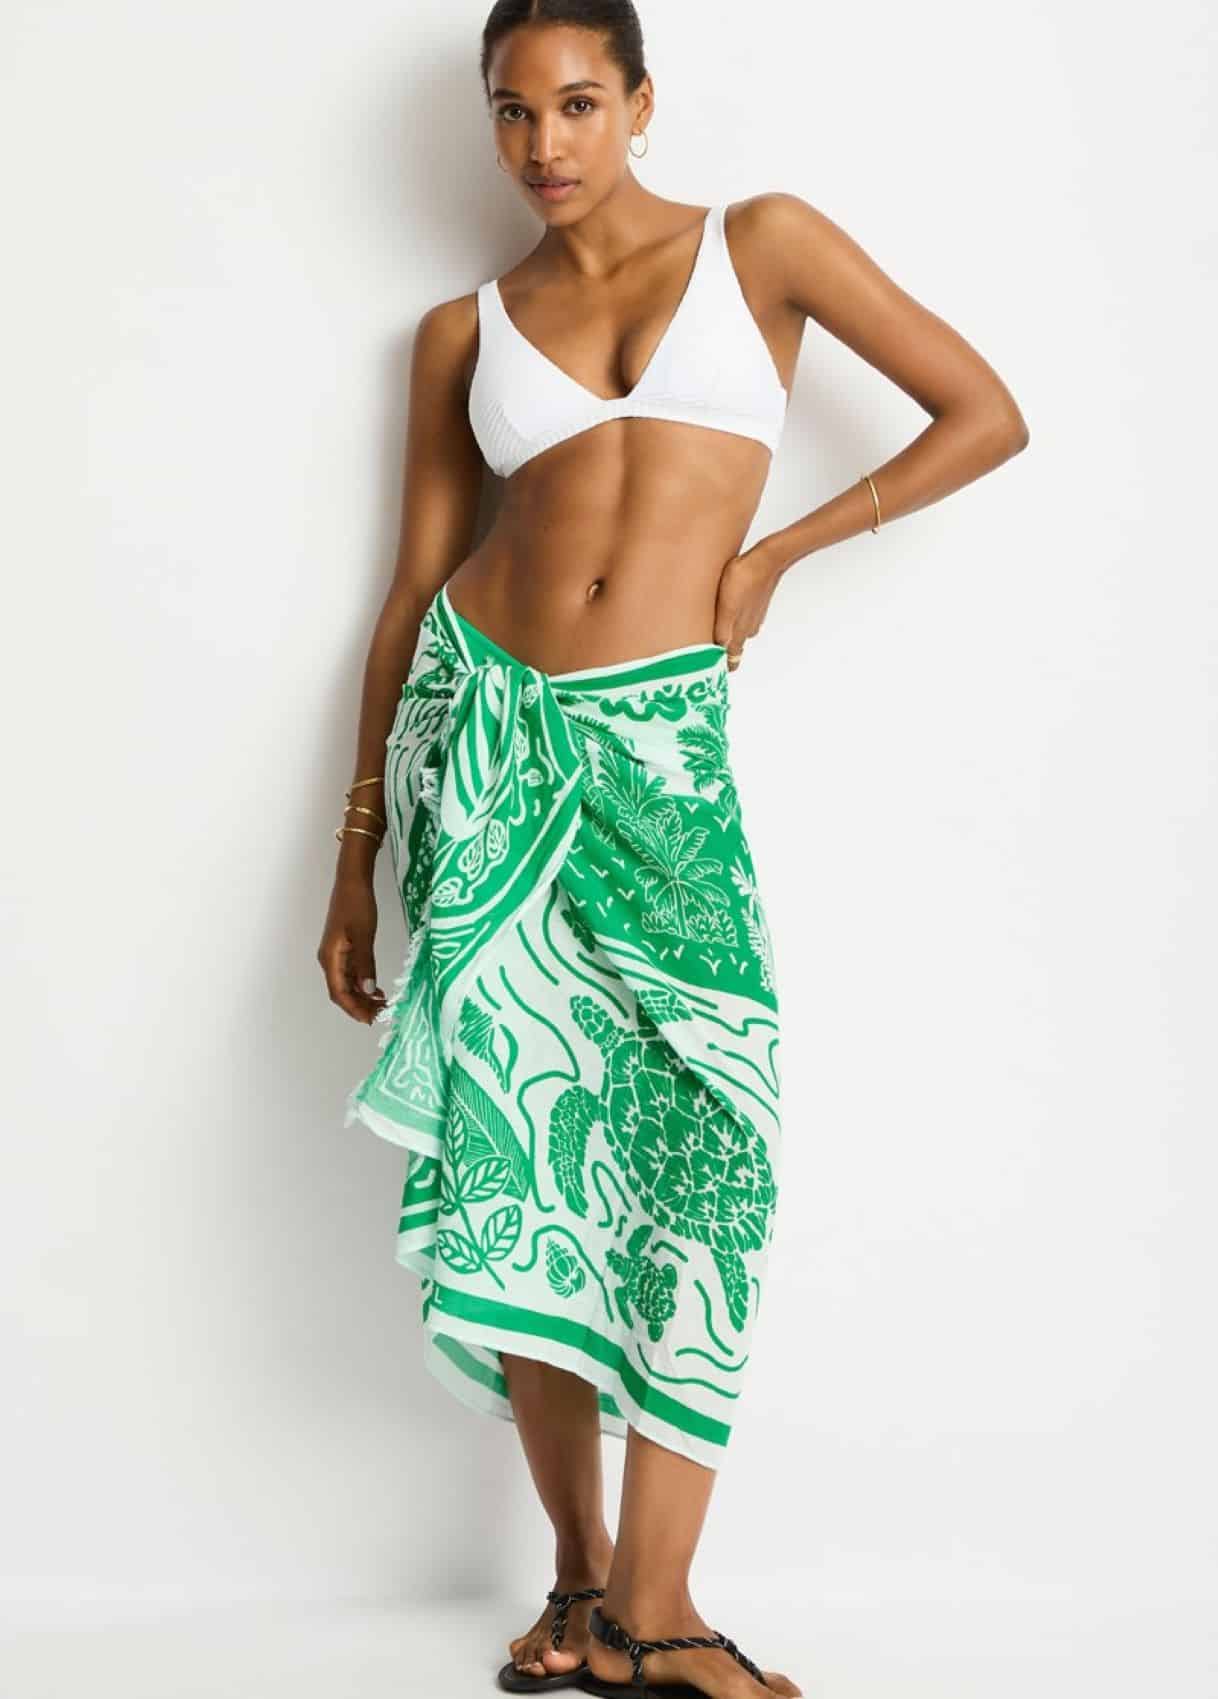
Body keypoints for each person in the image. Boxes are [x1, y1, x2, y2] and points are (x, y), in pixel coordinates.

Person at [318, 3, 1030, 1694]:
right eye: (512, 113)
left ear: (641, 103)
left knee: (716, 1138)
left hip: (657, 753)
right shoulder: (462, 328)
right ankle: (586, 1598)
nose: (544, 144)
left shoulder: (760, 243)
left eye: (577, 104)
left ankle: (663, 1598)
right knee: (522, 1167)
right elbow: (408, 591)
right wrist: (356, 849)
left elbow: (981, 412)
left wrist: (775, 554)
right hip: (489, 750)